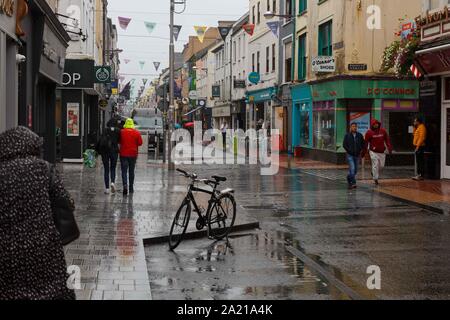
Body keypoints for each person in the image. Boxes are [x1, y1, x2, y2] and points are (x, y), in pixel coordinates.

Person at [0, 127, 75, 300]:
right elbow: (64, 203)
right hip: (43, 247)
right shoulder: (44, 169)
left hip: (5, 250)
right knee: (49, 290)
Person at [364, 119, 393, 185]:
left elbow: (387, 140)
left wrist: (389, 148)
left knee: (381, 166)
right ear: (372, 125)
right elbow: (365, 143)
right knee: (375, 165)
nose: (376, 125)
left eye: (377, 123)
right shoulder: (369, 132)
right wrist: (364, 152)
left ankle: (373, 172)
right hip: (373, 151)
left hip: (382, 151)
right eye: (374, 124)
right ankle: (375, 179)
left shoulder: (383, 131)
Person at [120, 118, 143, 195]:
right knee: (131, 171)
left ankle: (125, 185)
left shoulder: (122, 132)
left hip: (123, 154)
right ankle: (131, 187)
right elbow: (140, 143)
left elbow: (119, 141)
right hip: (133, 154)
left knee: (124, 171)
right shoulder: (136, 133)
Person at [96, 123, 120, 194]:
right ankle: (112, 182)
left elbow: (100, 140)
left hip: (105, 152)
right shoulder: (118, 131)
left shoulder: (105, 130)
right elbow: (119, 141)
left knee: (106, 169)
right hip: (114, 151)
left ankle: (107, 188)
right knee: (113, 168)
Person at [343, 123, 366, 189]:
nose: (354, 127)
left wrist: (360, 150)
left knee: (355, 170)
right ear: (350, 127)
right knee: (352, 169)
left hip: (357, 155)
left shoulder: (359, 135)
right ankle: (353, 183)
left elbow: (363, 144)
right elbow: (344, 144)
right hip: (350, 155)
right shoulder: (347, 135)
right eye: (353, 126)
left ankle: (348, 177)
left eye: (355, 126)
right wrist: (349, 151)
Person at [413, 116, 427, 181]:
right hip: (417, 146)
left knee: (420, 161)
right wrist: (414, 127)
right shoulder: (418, 127)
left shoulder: (422, 127)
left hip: (420, 146)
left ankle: (420, 175)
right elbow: (414, 135)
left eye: (415, 121)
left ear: (418, 121)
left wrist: (418, 147)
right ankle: (418, 175)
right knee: (418, 161)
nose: (414, 122)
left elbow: (422, 138)